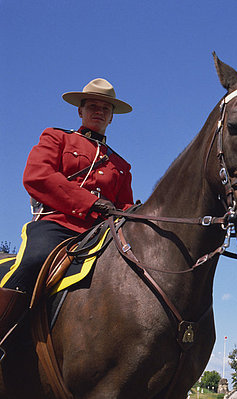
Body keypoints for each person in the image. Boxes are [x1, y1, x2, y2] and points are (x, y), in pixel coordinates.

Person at [0, 78, 134, 344]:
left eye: (105, 108)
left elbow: (124, 206)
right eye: (93, 106)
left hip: (101, 234)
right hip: (57, 224)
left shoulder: (120, 164)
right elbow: (37, 176)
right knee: (33, 260)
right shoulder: (56, 137)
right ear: (80, 111)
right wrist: (91, 203)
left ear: (111, 118)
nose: (99, 111)